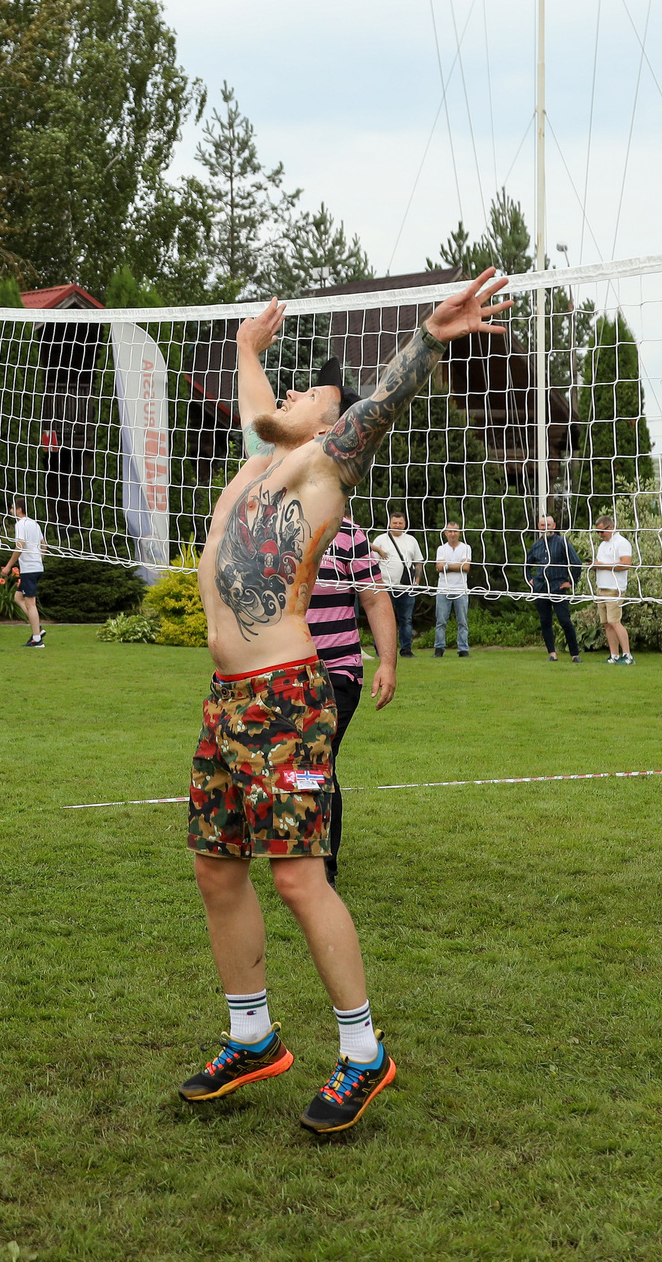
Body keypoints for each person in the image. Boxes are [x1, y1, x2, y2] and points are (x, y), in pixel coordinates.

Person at [181, 270, 510, 1135]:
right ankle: (251, 1035)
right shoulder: (259, 463)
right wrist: (250, 350)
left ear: (330, 423)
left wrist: (431, 339)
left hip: (289, 698)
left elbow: (382, 403)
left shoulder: (322, 468)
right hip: (227, 700)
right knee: (217, 865)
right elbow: (261, 408)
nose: (291, 392)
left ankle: (364, 1053)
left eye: (309, 391)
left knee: (297, 876)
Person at [302, 503, 396, 887]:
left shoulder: (349, 535)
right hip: (284, 670)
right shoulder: (271, 529)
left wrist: (387, 663)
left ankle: (321, 866)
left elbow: (374, 599)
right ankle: (295, 849)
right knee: (293, 762)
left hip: (336, 671)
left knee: (317, 757)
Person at [524, 513, 583, 664]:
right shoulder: (536, 545)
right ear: (538, 527)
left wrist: (571, 582)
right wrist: (531, 580)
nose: (545, 528)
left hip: (558, 587)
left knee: (565, 621)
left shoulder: (562, 542)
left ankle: (575, 655)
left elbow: (576, 563)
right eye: (542, 525)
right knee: (545, 621)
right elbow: (526, 566)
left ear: (554, 526)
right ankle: (552, 654)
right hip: (541, 587)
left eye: (548, 525)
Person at [372, 512, 425, 659]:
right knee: (382, 619)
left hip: (406, 588)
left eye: (400, 523)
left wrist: (417, 581)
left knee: (406, 619)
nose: (397, 525)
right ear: (389, 524)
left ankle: (406, 649)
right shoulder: (380, 539)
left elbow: (418, 562)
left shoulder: (411, 540)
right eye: (395, 523)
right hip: (385, 586)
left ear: (405, 524)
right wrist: (377, 583)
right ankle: (380, 649)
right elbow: (373, 563)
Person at [1, 498, 47, 647]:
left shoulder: (21, 524)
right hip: (36, 567)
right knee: (17, 597)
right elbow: (44, 545)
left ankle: (37, 639)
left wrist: (8, 566)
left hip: (30, 568)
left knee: (30, 603)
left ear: (19, 509)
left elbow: (19, 546)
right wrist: (39, 559)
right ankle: (37, 628)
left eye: (13, 508)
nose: (11, 510)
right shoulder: (34, 523)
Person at [591, 513, 636, 665]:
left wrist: (603, 566)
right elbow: (601, 564)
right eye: (597, 532)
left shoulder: (622, 543)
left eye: (602, 531)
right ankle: (614, 655)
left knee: (615, 622)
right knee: (606, 623)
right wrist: (594, 566)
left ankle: (628, 655)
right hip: (601, 588)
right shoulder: (602, 545)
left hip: (614, 588)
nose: (600, 535)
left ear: (610, 527)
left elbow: (625, 564)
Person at [432, 521, 473, 658]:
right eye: (450, 531)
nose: (453, 534)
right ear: (445, 533)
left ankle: (463, 649)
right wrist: (457, 566)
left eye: (455, 531)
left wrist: (447, 566)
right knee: (441, 621)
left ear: (459, 532)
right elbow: (439, 567)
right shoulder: (441, 549)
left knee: (462, 621)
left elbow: (466, 568)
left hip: (461, 589)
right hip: (443, 589)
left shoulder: (466, 548)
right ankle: (439, 649)